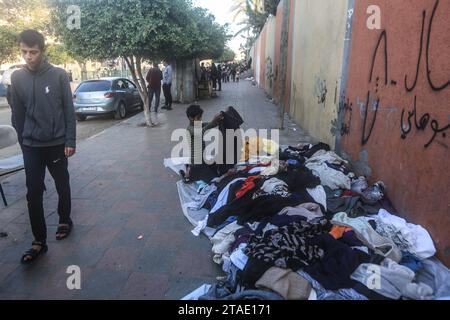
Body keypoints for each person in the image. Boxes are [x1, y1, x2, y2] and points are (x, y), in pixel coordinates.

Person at [10, 30, 77, 264]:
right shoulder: (17, 78)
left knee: (62, 184)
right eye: (24, 52)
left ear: (43, 50)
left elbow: (69, 110)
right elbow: (17, 114)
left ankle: (64, 220)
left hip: (57, 143)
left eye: (33, 52)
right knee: (33, 192)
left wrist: (70, 141)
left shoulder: (58, 75)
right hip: (31, 146)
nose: (28, 57)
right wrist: (23, 140)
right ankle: (39, 241)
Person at [181, 104, 223, 183]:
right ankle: (189, 174)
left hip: (202, 160)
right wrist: (213, 121)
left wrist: (216, 122)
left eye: (201, 117)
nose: (200, 120)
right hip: (197, 163)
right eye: (198, 118)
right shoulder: (190, 129)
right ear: (191, 118)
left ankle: (189, 171)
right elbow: (201, 131)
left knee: (216, 167)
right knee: (214, 180)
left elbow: (208, 125)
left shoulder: (198, 125)